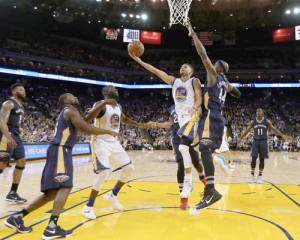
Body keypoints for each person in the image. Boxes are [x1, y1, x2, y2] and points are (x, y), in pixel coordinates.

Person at [4, 93, 117, 239]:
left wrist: (103, 103)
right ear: (66, 100)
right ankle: (51, 228)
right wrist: (107, 131)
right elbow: (85, 128)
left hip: (58, 150)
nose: (76, 96)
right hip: (61, 150)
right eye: (72, 95)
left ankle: (17, 217)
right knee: (65, 186)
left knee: (51, 193)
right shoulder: (70, 110)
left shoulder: (70, 112)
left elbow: (86, 120)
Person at [129, 50, 202, 203]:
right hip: (180, 121)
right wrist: (139, 60)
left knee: (185, 150)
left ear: (191, 71)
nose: (183, 68)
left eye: (186, 66)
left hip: (191, 116)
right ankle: (186, 191)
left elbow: (199, 96)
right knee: (185, 157)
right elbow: (155, 70)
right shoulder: (174, 81)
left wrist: (195, 107)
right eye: (182, 66)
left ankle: (191, 183)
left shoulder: (194, 80)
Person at [187, 22, 241, 210]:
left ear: (218, 68)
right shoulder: (225, 82)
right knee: (204, 150)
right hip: (217, 117)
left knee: (205, 150)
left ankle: (211, 190)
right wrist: (231, 89)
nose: (212, 64)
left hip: (211, 116)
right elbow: (239, 94)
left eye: (214, 64)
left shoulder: (214, 75)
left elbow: (203, 55)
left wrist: (194, 34)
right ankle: (210, 190)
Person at [82, 85, 147, 220]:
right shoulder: (100, 104)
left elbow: (124, 119)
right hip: (100, 141)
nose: (116, 90)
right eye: (113, 88)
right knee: (104, 173)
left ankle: (113, 195)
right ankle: (88, 207)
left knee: (130, 169)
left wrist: (138, 124)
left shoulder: (118, 106)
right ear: (106, 92)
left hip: (114, 142)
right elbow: (87, 119)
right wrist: (104, 103)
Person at [147, 104, 206, 210]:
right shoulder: (172, 108)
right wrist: (156, 124)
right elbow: (170, 124)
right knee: (181, 165)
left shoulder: (191, 103)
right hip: (177, 139)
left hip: (189, 136)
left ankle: (205, 182)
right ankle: (183, 200)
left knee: (196, 162)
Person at [239, 108, 287, 184]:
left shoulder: (267, 121)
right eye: (257, 111)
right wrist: (241, 138)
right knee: (253, 158)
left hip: (263, 142)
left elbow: (274, 129)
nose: (258, 112)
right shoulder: (253, 122)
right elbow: (247, 130)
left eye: (259, 111)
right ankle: (252, 175)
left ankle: (260, 176)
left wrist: (282, 135)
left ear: (262, 113)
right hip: (255, 141)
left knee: (262, 159)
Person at [0, 83, 27, 203]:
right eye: (21, 90)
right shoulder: (9, 103)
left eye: (24, 90)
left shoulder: (20, 106)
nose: (24, 91)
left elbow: (15, 121)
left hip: (16, 135)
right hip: (8, 135)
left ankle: (12, 193)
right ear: (14, 92)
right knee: (2, 164)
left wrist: (19, 129)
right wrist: (8, 137)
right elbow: (2, 122)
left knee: (21, 161)